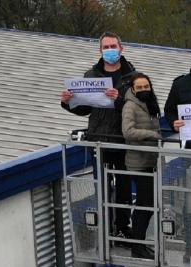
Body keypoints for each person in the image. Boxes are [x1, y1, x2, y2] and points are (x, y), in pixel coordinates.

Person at [60, 31, 137, 238]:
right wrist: (67, 102)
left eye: (113, 47)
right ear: (100, 50)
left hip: (123, 138)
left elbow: (139, 107)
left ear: (121, 48)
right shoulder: (91, 75)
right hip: (99, 138)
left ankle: (122, 225)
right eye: (106, 47)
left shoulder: (133, 76)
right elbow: (85, 108)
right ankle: (104, 225)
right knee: (101, 185)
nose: (110, 51)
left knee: (122, 186)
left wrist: (118, 99)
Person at [119, 72, 162, 259]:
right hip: (138, 162)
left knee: (148, 203)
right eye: (140, 87)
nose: (144, 90)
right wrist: (151, 135)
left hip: (151, 160)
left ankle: (140, 243)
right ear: (133, 89)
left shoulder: (150, 103)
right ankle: (138, 245)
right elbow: (127, 131)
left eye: (146, 86)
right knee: (145, 204)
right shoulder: (130, 106)